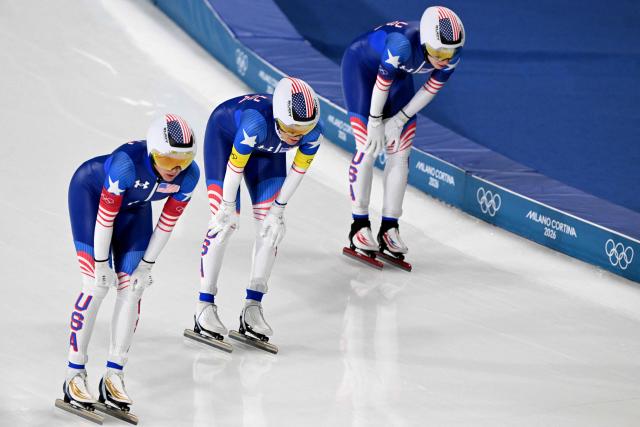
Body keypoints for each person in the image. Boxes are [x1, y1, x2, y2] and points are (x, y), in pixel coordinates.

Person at [62, 114, 199, 412]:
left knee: (133, 288)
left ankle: (114, 375)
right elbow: (105, 218)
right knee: (95, 286)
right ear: (152, 152)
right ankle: (74, 375)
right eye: (166, 159)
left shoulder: (190, 175)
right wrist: (100, 264)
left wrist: (147, 265)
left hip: (135, 210)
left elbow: (167, 223)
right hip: (90, 196)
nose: (175, 169)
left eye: (183, 161)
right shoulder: (125, 164)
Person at [194, 77, 322, 346]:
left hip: (267, 153)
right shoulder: (254, 122)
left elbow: (298, 172)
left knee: (270, 230)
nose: (295, 136)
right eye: (289, 128)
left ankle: (253, 305)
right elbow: (234, 169)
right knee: (223, 225)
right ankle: (204, 306)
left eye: (303, 130)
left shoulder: (312, 132)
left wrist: (279, 211)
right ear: (278, 117)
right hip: (227, 142)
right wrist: (227, 206)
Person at [341, 6, 465, 260]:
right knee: (367, 147)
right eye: (439, 52)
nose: (444, 59)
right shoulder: (401, 45)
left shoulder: (450, 52)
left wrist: (400, 119)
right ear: (425, 42)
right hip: (361, 70)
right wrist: (376, 122)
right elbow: (380, 84)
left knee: (401, 151)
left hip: (397, 76)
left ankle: (390, 227)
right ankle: (359, 225)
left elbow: (430, 89)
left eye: (450, 52)